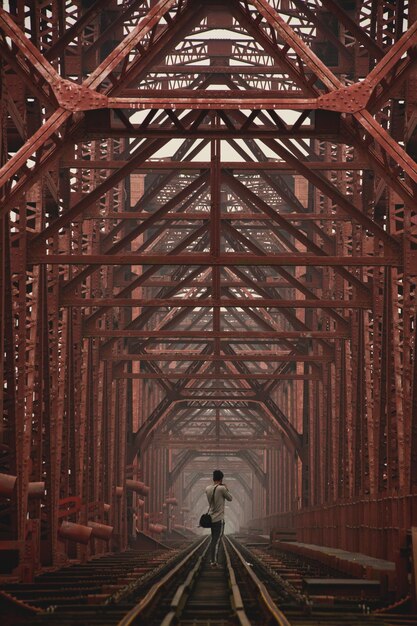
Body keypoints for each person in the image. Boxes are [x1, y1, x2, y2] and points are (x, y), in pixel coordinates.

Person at [205, 469, 232, 566]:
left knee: (213, 539)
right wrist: (226, 488)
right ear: (221, 479)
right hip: (219, 519)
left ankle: (213, 560)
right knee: (217, 540)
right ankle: (214, 561)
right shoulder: (222, 489)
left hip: (211, 518)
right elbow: (230, 498)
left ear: (213, 478)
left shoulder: (207, 488)